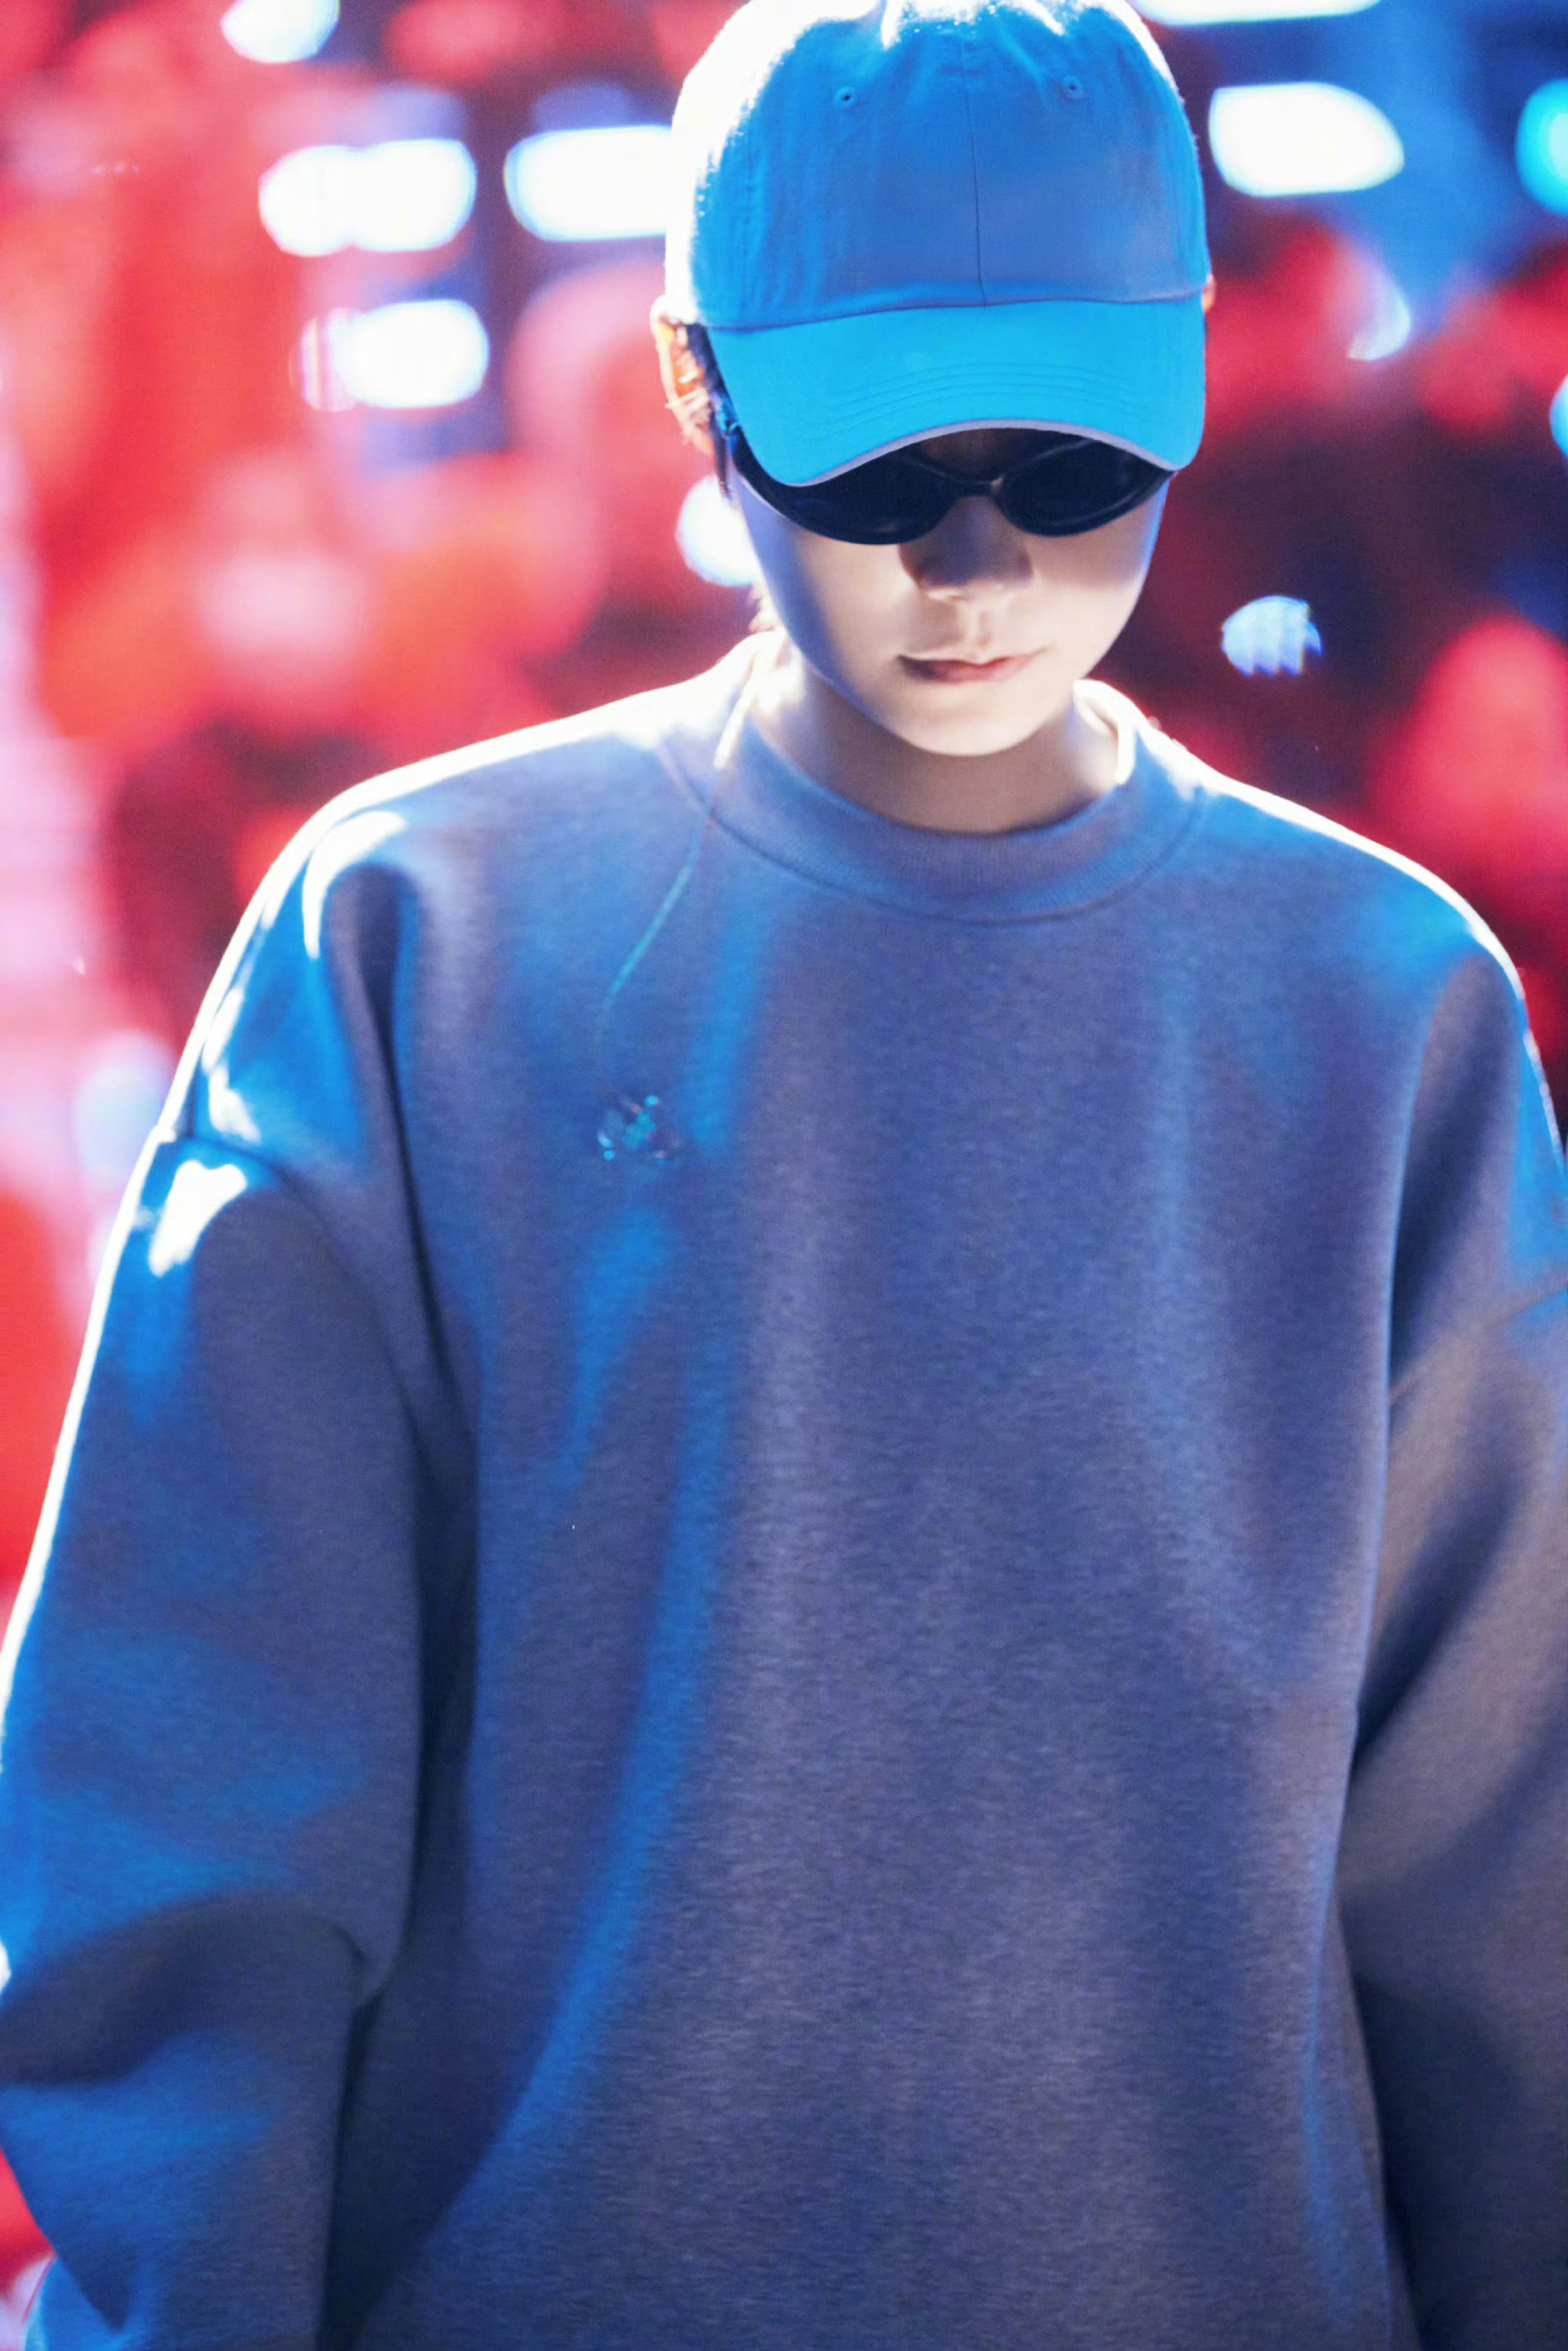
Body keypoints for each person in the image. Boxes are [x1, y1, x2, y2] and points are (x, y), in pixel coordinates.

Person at [0, 5, 1563, 2347]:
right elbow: (196, 1784)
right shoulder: (422, 940)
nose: (977, 560)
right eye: (878, 461)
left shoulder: (1376, 1010)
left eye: (1072, 461)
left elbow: (1504, 1883)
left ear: (1189, 375)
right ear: (693, 387)